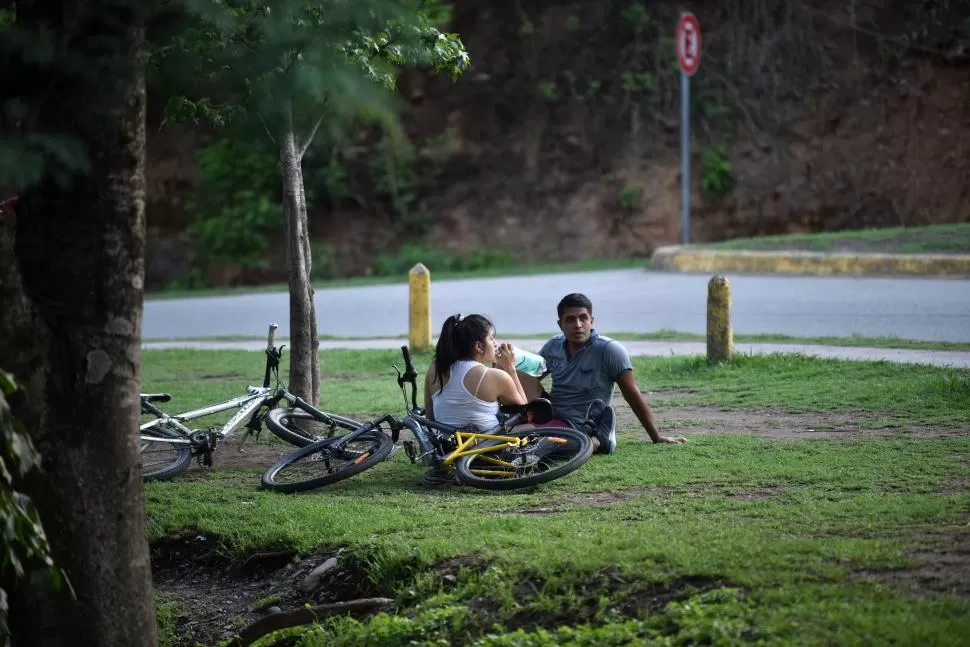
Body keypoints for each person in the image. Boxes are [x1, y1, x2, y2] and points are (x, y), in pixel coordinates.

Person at [522, 293, 687, 454]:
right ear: (560, 324)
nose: (578, 325)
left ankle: (598, 441)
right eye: (570, 320)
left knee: (540, 445)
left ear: (591, 321)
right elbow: (528, 380)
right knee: (515, 431)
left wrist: (656, 436)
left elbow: (632, 394)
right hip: (552, 417)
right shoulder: (553, 346)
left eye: (583, 318)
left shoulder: (609, 350)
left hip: (582, 424)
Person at [423, 313, 529, 430]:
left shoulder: (436, 368)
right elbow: (525, 415)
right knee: (532, 429)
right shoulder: (494, 376)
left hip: (446, 446)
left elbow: (430, 417)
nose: (495, 343)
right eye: (491, 338)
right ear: (478, 346)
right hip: (488, 446)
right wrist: (510, 368)